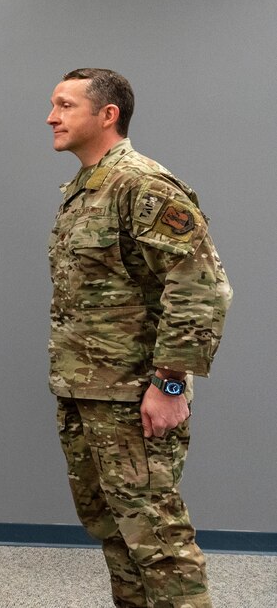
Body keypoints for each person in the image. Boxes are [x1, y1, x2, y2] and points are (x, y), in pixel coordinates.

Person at [46, 68, 231, 608]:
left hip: (134, 396)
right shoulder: (86, 188)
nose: (51, 116)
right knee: (118, 538)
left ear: (108, 115)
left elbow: (202, 286)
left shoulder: (141, 186)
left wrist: (170, 385)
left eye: (64, 105)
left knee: (159, 542)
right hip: (87, 392)